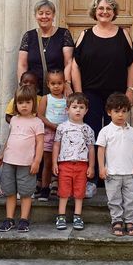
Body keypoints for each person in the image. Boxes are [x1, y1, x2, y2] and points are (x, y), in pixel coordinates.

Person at [72, 0, 133, 198]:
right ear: (95, 11)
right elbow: (75, 65)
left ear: (114, 12)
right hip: (90, 93)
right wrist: (79, 93)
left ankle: (114, 176)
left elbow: (131, 64)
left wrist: (130, 89)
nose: (105, 12)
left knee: (116, 136)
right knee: (91, 135)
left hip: (116, 95)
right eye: (101, 8)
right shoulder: (85, 34)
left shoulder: (123, 34)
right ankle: (91, 178)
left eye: (109, 8)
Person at [0, 85, 45, 233]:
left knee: (25, 192)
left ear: (33, 104)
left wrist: (37, 161)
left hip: (26, 163)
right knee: (10, 192)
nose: (24, 106)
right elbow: (10, 138)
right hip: (10, 161)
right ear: (16, 104)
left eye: (28, 102)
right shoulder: (14, 120)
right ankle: (9, 219)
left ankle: (24, 219)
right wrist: (2, 154)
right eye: (21, 102)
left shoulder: (37, 123)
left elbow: (40, 143)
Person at [97, 93, 133, 236]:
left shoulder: (131, 130)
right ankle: (116, 221)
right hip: (113, 173)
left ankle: (129, 221)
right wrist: (102, 167)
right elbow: (101, 150)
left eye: (124, 111)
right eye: (117, 111)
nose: (120, 115)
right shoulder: (106, 131)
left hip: (130, 173)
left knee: (130, 199)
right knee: (114, 199)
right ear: (109, 112)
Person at [52, 92, 96, 231]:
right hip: (65, 164)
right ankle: (61, 215)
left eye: (81, 107)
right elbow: (56, 145)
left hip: (82, 165)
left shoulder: (88, 129)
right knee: (64, 191)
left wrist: (92, 166)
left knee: (79, 192)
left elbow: (91, 149)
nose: (78, 110)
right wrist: (54, 163)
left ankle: (77, 215)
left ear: (86, 111)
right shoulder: (62, 127)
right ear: (67, 110)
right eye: (74, 106)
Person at [17, 0, 74, 96]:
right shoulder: (29, 36)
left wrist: (67, 83)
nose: (44, 16)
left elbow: (68, 62)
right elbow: (22, 64)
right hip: (33, 90)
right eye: (40, 13)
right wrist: (22, 87)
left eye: (48, 13)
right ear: (35, 15)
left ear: (53, 15)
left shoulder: (64, 33)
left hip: (57, 89)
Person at [36, 69, 68, 202]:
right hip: (49, 133)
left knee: (62, 162)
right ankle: (44, 189)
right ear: (48, 84)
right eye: (53, 83)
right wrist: (52, 126)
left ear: (64, 84)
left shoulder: (67, 100)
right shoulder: (45, 98)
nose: (56, 86)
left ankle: (60, 188)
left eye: (59, 83)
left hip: (64, 135)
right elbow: (40, 115)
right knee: (48, 162)